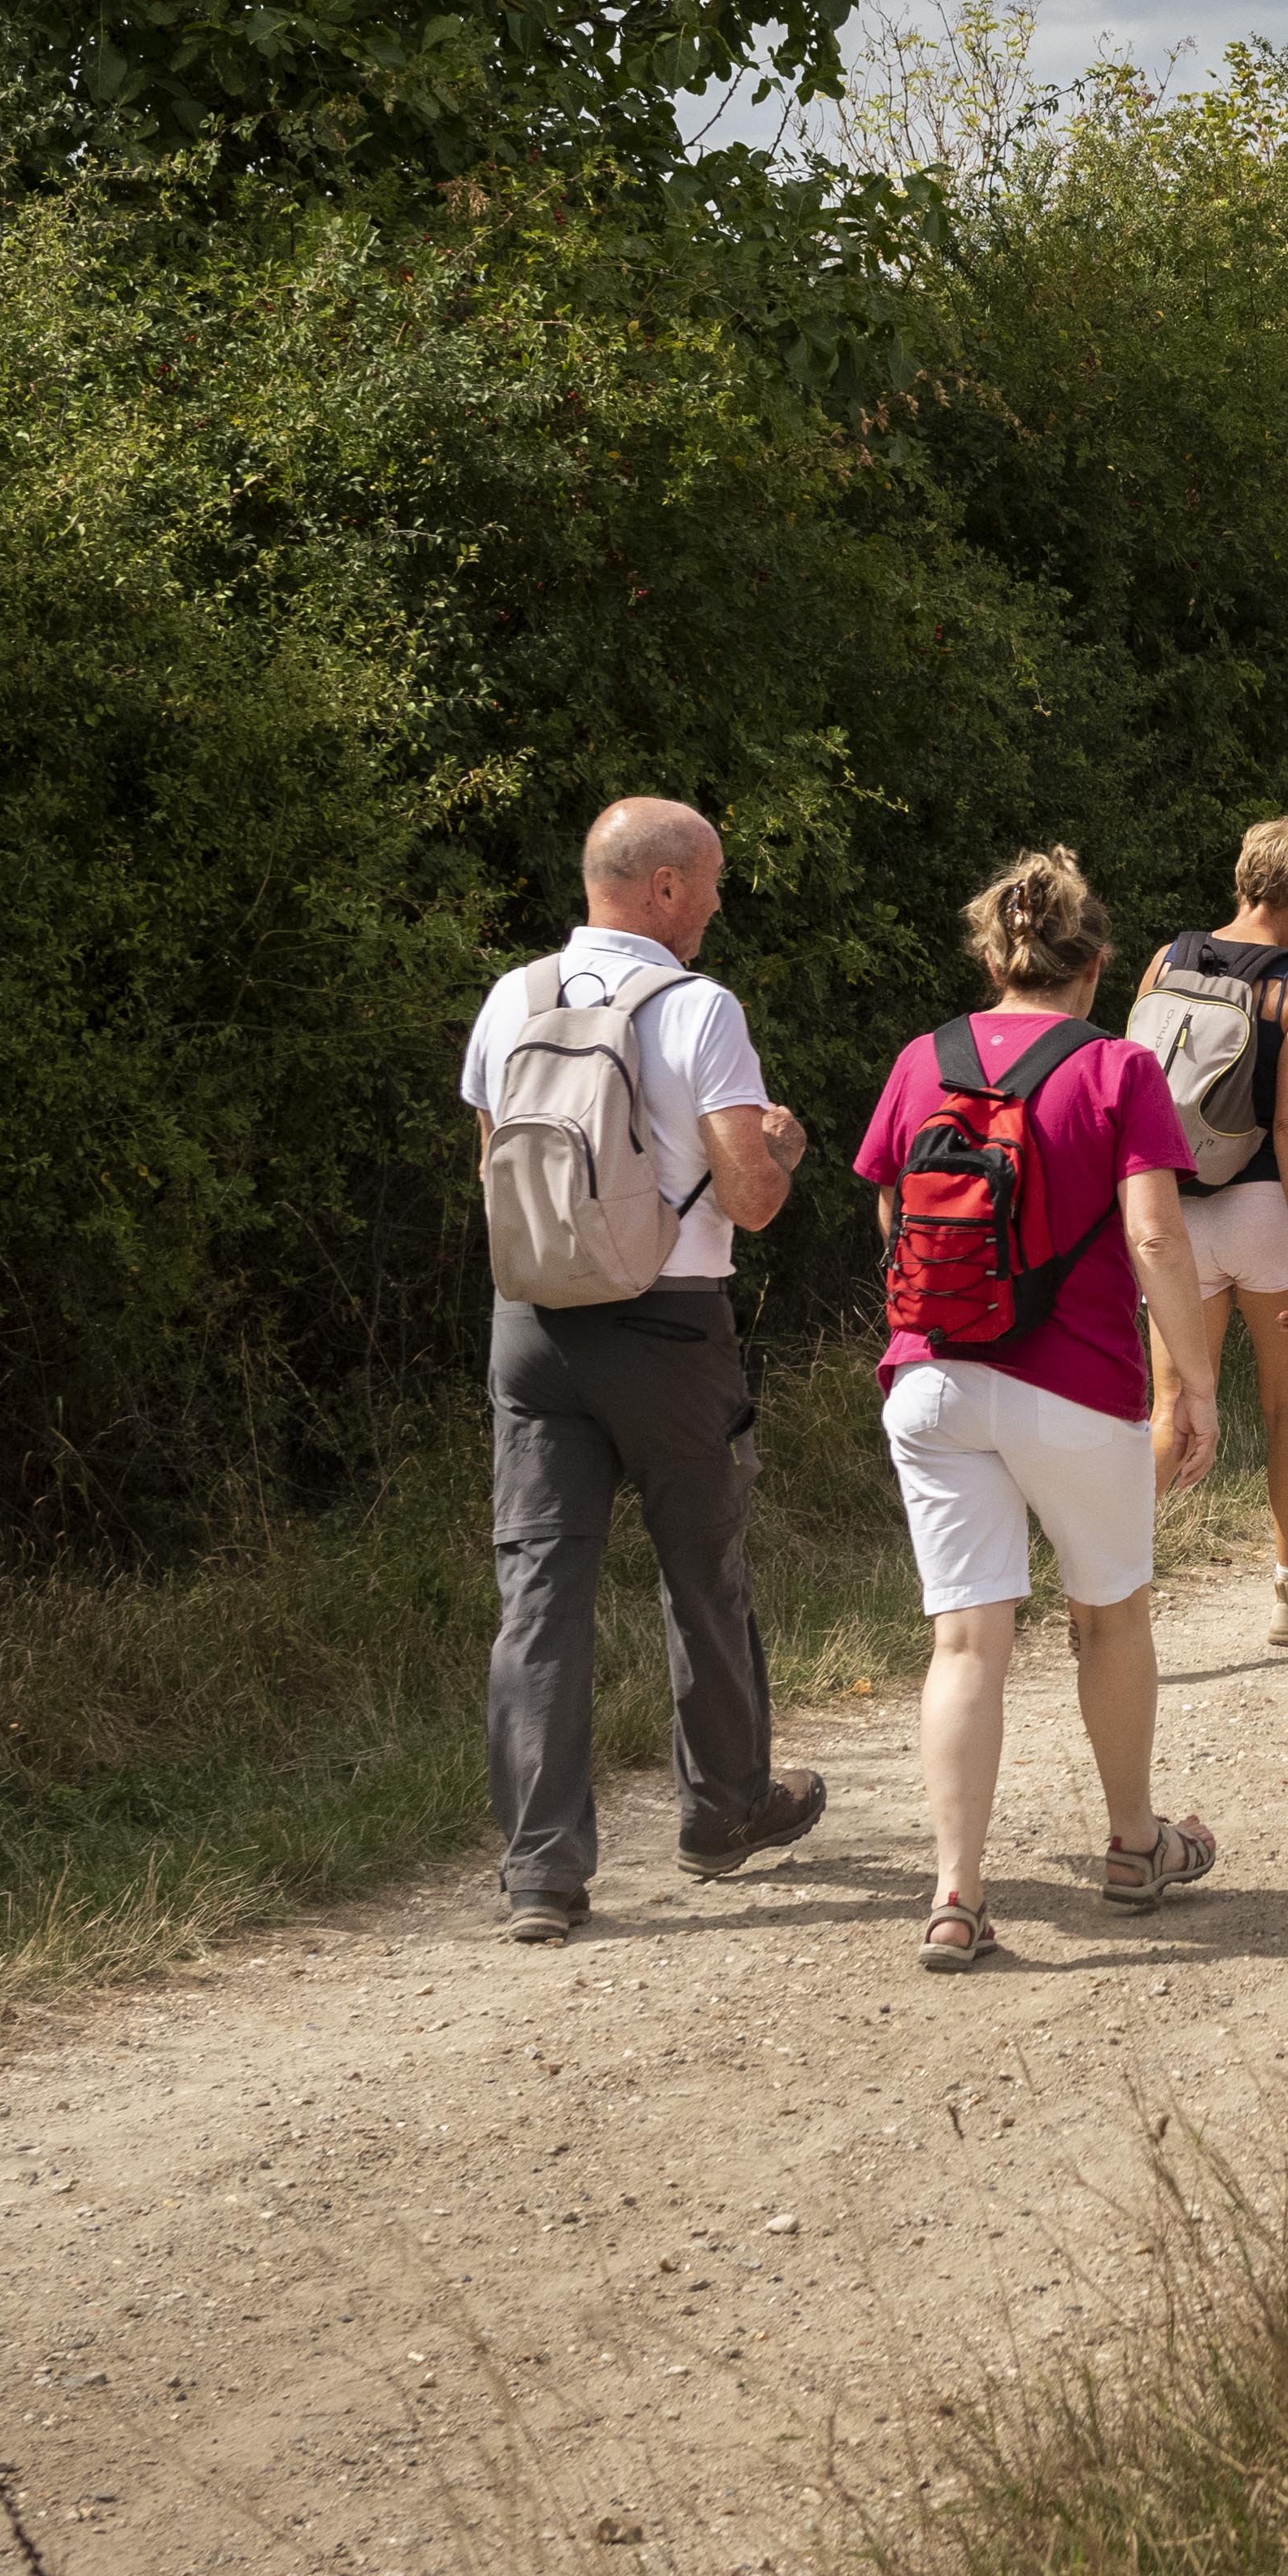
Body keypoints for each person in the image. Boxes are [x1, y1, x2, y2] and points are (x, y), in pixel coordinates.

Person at [848, 848, 1227, 1975]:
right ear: (1097, 965)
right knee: (1109, 1617)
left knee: (966, 1640)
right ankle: (1131, 1845)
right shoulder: (1116, 1069)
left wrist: (958, 1305)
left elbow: (889, 1204)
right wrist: (1193, 1380)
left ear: (994, 955)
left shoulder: (924, 1058)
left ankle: (958, 1896)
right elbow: (1156, 1235)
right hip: (1075, 1385)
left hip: (931, 1377)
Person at [458, 795, 825, 1948]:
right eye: (709, 880)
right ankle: (722, 1812)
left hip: (531, 1324)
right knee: (700, 1569)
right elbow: (753, 1202)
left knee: (539, 1593)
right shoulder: (698, 1009)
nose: (716, 901)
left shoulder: (509, 999)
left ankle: (540, 1874)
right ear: (664, 888)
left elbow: (494, 1170)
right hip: (666, 1325)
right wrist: (779, 1145)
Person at [1134, 815, 1288, 1641]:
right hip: (1263, 1207)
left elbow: (1133, 1088)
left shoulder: (1167, 960)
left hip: (1175, 1212)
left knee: (1170, 1408)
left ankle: (1103, 1589)